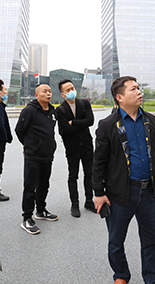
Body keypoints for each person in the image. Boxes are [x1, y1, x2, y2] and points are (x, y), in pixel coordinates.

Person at [93, 76, 155, 284]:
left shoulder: (150, 121)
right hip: (120, 193)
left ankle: (153, 279)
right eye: (133, 89)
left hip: (147, 191)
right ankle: (121, 276)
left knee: (151, 240)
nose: (139, 92)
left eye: (138, 88)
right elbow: (99, 161)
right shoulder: (108, 125)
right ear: (120, 97)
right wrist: (99, 193)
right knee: (116, 241)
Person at [15, 83, 58, 235]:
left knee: (44, 185)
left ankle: (40, 210)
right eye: (45, 91)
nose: (48, 93)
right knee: (30, 187)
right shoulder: (29, 111)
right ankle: (27, 218)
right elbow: (19, 130)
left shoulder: (52, 111)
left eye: (50, 91)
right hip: (33, 155)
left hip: (48, 155)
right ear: (37, 94)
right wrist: (29, 145)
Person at [55, 79, 96, 217]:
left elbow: (90, 121)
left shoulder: (84, 104)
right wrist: (81, 124)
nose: (71, 91)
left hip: (87, 145)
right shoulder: (60, 110)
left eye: (72, 88)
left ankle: (89, 201)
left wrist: (73, 122)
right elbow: (65, 130)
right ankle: (75, 204)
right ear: (62, 94)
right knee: (73, 176)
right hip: (72, 148)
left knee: (89, 173)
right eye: (68, 90)